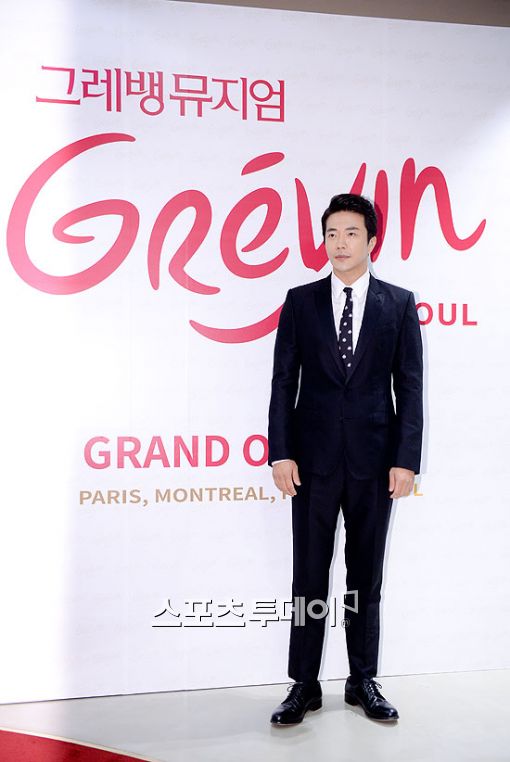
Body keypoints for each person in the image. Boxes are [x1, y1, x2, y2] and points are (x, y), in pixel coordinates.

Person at [267, 193, 423, 725]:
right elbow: (283, 381)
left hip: (375, 465)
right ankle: (303, 684)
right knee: (308, 576)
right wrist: (281, 452)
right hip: (311, 464)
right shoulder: (301, 301)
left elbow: (410, 386)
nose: (340, 243)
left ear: (371, 240)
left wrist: (405, 460)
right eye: (332, 233)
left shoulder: (398, 304)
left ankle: (362, 680)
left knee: (365, 578)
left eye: (351, 233)